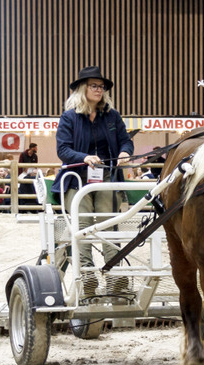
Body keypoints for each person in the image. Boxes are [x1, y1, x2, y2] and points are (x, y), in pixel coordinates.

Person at [53, 65, 134, 296]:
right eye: (94, 86)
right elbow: (63, 150)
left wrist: (125, 152)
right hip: (77, 179)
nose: (99, 90)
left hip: (107, 176)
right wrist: (84, 157)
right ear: (82, 88)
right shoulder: (69, 117)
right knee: (84, 228)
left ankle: (115, 276)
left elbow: (125, 140)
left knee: (108, 225)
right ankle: (87, 277)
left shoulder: (112, 116)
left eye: (101, 86)